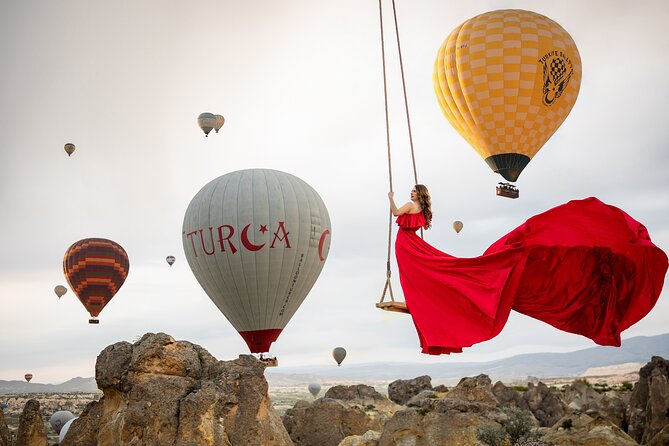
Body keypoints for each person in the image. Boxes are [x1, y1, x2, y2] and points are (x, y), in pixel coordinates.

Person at [386, 188, 668, 356]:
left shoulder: (412, 206)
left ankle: (425, 300)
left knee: (427, 271)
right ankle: (427, 301)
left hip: (408, 246)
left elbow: (397, 213)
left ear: (418, 195)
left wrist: (390, 197)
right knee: (435, 270)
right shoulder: (423, 210)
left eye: (413, 191)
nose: (411, 194)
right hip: (411, 246)